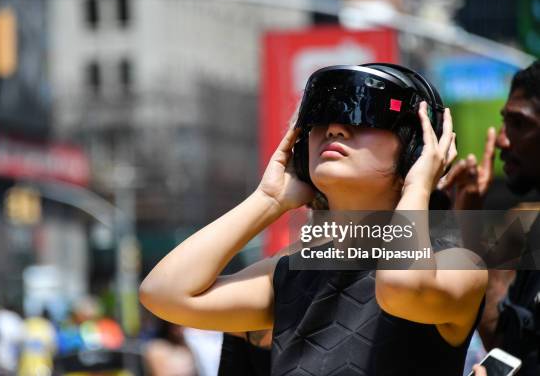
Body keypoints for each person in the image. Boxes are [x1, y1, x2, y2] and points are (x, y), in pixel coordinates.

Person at [140, 63, 487, 375]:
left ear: (416, 148)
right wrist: (268, 200)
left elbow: (403, 288)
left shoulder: (456, 265)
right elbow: (165, 294)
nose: (335, 129)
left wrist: (418, 184)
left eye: (364, 114)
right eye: (320, 117)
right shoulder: (294, 272)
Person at [439, 60, 540, 376]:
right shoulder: (526, 226)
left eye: (520, 124)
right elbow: (502, 338)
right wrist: (467, 220)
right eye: (504, 122)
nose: (501, 140)